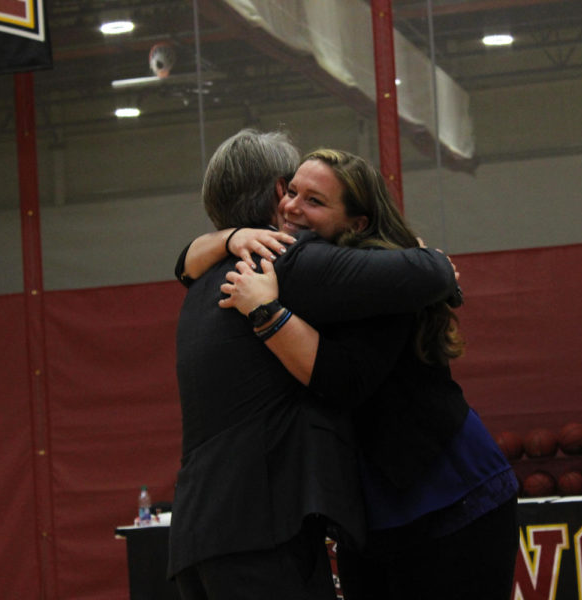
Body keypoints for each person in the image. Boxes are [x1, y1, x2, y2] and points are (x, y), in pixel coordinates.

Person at [168, 129, 462, 600]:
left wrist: (222, 239)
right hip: (262, 535)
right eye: (292, 191)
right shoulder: (283, 263)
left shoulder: (200, 283)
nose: (294, 206)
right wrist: (436, 264)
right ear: (276, 192)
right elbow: (426, 272)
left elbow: (182, 262)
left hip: (196, 537)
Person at [214, 149, 520, 600]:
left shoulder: (377, 275)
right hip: (372, 516)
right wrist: (222, 241)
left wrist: (265, 312)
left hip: (451, 495)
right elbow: (188, 262)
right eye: (292, 191)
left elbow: (343, 381)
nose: (293, 207)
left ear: (357, 223)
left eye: (315, 201)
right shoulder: (306, 264)